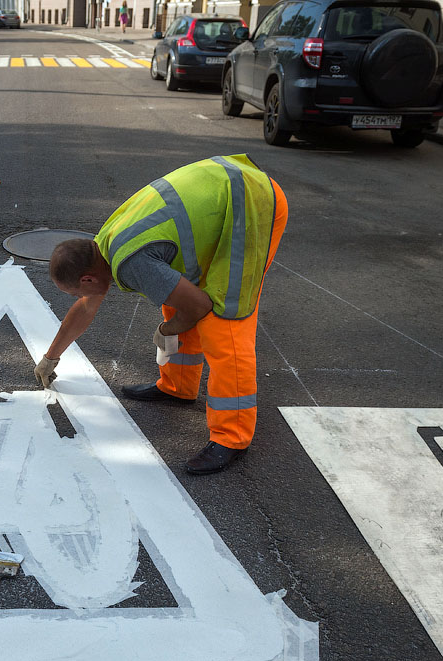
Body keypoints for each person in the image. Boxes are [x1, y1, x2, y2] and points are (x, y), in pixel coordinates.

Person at [33, 155, 288, 475]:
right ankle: (178, 387)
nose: (82, 297)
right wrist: (50, 357)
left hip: (250, 204)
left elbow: (198, 308)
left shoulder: (132, 263)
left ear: (87, 279)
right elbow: (86, 308)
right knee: (173, 300)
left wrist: (167, 331)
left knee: (223, 321)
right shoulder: (103, 245)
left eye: (77, 292)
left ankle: (232, 437)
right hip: (224, 195)